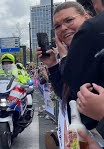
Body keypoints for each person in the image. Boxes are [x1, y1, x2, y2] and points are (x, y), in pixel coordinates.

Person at [37, 1, 100, 130]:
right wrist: (53, 65)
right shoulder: (71, 54)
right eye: (57, 26)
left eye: (69, 20)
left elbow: (80, 89)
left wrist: (65, 58)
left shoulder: (98, 48)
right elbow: (67, 94)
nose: (63, 28)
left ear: (87, 18)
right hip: (83, 136)